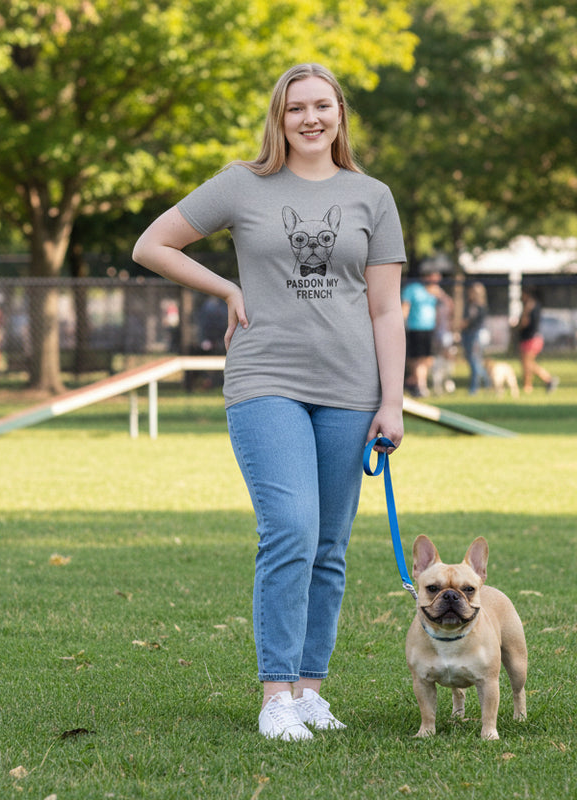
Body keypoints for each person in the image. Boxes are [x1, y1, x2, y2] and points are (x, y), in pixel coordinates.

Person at [132, 64, 406, 742]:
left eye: (322, 106)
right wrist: (226, 289)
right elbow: (151, 244)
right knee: (290, 527)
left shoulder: (372, 196)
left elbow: (385, 309)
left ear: (340, 114)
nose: (310, 118)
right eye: (296, 109)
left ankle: (311, 690)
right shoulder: (241, 184)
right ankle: (276, 694)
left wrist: (393, 401)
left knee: (331, 546)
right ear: (278, 119)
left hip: (352, 387)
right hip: (265, 380)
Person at [402, 270, 440, 397]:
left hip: (429, 329)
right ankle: (421, 386)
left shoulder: (434, 291)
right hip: (416, 329)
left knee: (428, 360)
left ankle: (412, 382)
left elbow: (447, 306)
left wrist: (441, 295)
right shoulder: (412, 289)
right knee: (418, 359)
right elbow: (405, 308)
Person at [515, 288, 560, 394]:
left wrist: (520, 321)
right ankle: (532, 385)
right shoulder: (535, 306)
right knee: (528, 363)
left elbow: (524, 323)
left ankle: (542, 381)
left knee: (527, 364)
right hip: (531, 338)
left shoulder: (530, 307)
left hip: (530, 338)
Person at [460, 281, 490, 394]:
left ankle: (475, 387)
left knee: (474, 360)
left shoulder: (477, 306)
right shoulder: (471, 304)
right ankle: (487, 382)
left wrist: (461, 325)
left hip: (474, 335)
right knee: (474, 360)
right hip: (470, 334)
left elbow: (469, 321)